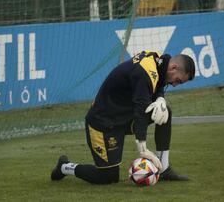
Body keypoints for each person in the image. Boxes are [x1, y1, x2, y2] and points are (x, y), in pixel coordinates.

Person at [50, 51, 195, 184]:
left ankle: (164, 169)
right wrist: (143, 148)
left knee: (165, 112)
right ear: (174, 68)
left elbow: (158, 84)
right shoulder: (144, 72)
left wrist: (160, 98)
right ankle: (64, 166)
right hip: (102, 123)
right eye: (178, 81)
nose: (175, 85)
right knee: (108, 177)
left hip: (123, 118)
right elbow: (141, 112)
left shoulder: (159, 62)